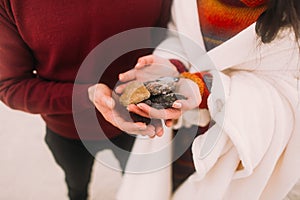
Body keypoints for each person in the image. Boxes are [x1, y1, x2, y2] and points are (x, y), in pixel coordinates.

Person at [117, 0, 300, 199]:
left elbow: (287, 91)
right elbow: (178, 34)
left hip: (233, 146)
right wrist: (172, 65)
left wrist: (205, 88)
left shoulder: (292, 18)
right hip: (176, 135)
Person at [0, 1, 173, 200]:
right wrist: (86, 95)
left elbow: (169, 39)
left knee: (137, 186)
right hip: (67, 129)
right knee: (76, 185)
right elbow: (10, 86)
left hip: (139, 121)